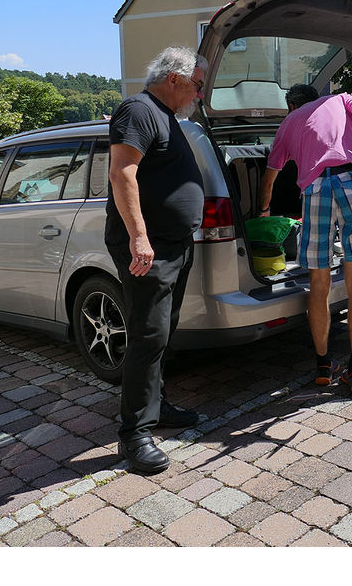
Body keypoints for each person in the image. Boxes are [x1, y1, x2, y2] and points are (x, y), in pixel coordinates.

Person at [105, 46, 208, 474]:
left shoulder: (166, 117)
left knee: (161, 334)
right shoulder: (138, 110)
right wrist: (140, 238)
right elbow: (121, 173)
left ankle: (156, 406)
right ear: (175, 78)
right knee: (147, 336)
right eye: (197, 86)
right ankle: (133, 435)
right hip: (151, 248)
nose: (199, 95)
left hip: (174, 245)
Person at [258, 84, 352, 395]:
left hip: (316, 190)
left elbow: (270, 177)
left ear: (292, 106)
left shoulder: (289, 123)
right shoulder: (340, 100)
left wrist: (264, 211)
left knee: (318, 283)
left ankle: (323, 367)